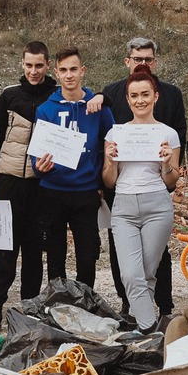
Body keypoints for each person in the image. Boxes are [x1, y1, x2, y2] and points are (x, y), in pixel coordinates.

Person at [102, 36, 185, 322]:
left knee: (148, 274)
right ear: (127, 99)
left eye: (145, 95)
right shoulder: (115, 133)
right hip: (123, 206)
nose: (140, 100)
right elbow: (110, 181)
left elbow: (172, 181)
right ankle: (151, 329)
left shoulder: (168, 134)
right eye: (134, 96)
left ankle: (142, 331)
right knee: (131, 274)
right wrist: (111, 161)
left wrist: (165, 163)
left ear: (155, 97)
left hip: (157, 205)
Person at [0, 43, 55, 319]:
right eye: (28, 65)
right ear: (22, 64)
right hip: (7, 183)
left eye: (39, 65)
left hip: (39, 186)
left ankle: (29, 309)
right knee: (3, 251)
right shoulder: (9, 96)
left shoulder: (56, 97)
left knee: (34, 252)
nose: (33, 71)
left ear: (47, 65)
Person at [35, 48, 115, 288]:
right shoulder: (45, 109)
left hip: (86, 191)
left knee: (87, 254)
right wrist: (40, 168)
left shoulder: (98, 109)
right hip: (53, 190)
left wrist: (101, 182)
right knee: (55, 253)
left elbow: (110, 144)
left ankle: (85, 302)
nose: (69, 75)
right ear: (56, 73)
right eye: (63, 70)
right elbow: (37, 154)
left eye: (73, 69)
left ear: (82, 71)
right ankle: (57, 302)